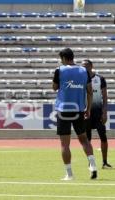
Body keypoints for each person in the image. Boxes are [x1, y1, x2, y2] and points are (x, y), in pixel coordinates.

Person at [53, 48, 97, 180]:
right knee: (84, 139)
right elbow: (90, 91)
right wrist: (88, 108)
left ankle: (69, 174)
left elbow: (55, 87)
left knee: (64, 144)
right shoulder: (84, 71)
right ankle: (93, 165)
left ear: (64, 58)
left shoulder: (59, 70)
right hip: (79, 109)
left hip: (64, 110)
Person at [82, 59, 112, 169]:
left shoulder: (100, 79)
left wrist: (104, 112)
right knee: (87, 139)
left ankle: (104, 162)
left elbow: (105, 96)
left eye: (86, 65)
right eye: (83, 66)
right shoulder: (81, 79)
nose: (84, 67)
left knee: (103, 137)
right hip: (86, 113)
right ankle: (91, 163)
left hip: (98, 113)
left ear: (91, 66)